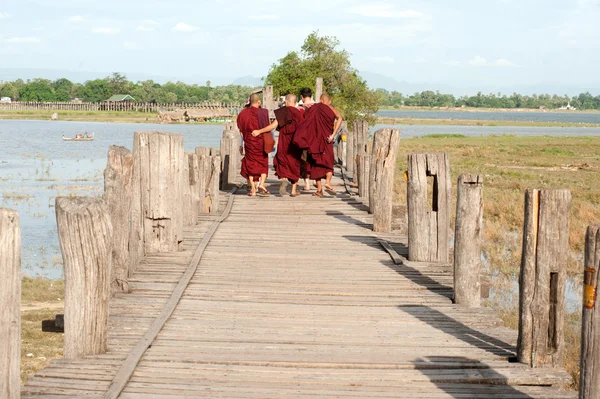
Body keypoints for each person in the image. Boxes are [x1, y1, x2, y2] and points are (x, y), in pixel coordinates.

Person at [252, 94, 304, 197]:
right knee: (295, 164)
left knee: (282, 160)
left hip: (284, 142)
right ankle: (293, 190)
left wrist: (259, 131)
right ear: (295, 102)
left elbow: (273, 126)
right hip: (295, 143)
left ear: (287, 102)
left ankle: (284, 179)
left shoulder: (283, 112)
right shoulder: (299, 113)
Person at [294, 93, 342, 197]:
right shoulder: (331, 109)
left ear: (320, 100)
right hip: (327, 139)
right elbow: (340, 118)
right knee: (328, 162)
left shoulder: (313, 108)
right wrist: (333, 134)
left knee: (316, 164)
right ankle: (327, 183)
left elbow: (306, 122)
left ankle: (319, 189)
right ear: (329, 101)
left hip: (315, 140)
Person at [236, 93, 270, 196]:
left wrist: (241, 144)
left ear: (250, 102)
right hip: (261, 142)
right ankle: (261, 184)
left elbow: (241, 131)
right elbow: (268, 127)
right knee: (263, 164)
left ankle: (253, 189)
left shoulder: (243, 114)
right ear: (259, 101)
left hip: (249, 142)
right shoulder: (264, 112)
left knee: (250, 164)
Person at [298, 88, 315, 191]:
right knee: (313, 158)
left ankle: (307, 183)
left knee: (304, 159)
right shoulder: (317, 108)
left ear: (302, 97)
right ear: (311, 96)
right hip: (314, 137)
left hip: (303, 137)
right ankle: (315, 179)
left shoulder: (299, 108)